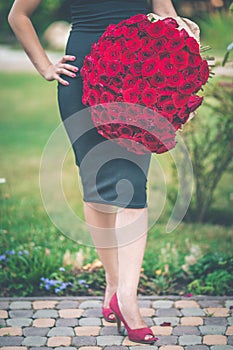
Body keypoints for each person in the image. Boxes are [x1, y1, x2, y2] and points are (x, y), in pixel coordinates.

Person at [8, 0, 179, 344]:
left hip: (140, 75)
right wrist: (44, 66)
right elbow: (18, 15)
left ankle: (128, 301)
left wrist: (182, 42)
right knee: (97, 186)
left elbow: (165, 12)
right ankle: (114, 284)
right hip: (83, 77)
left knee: (133, 185)